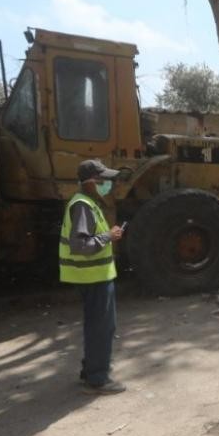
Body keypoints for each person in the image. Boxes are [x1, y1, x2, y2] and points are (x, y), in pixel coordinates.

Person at [59, 159, 126, 395]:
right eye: (103, 180)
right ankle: (98, 379)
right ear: (90, 182)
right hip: (93, 277)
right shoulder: (83, 205)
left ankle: (90, 371)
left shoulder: (87, 203)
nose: (108, 184)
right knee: (102, 327)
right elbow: (80, 245)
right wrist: (108, 236)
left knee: (97, 325)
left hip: (93, 276)